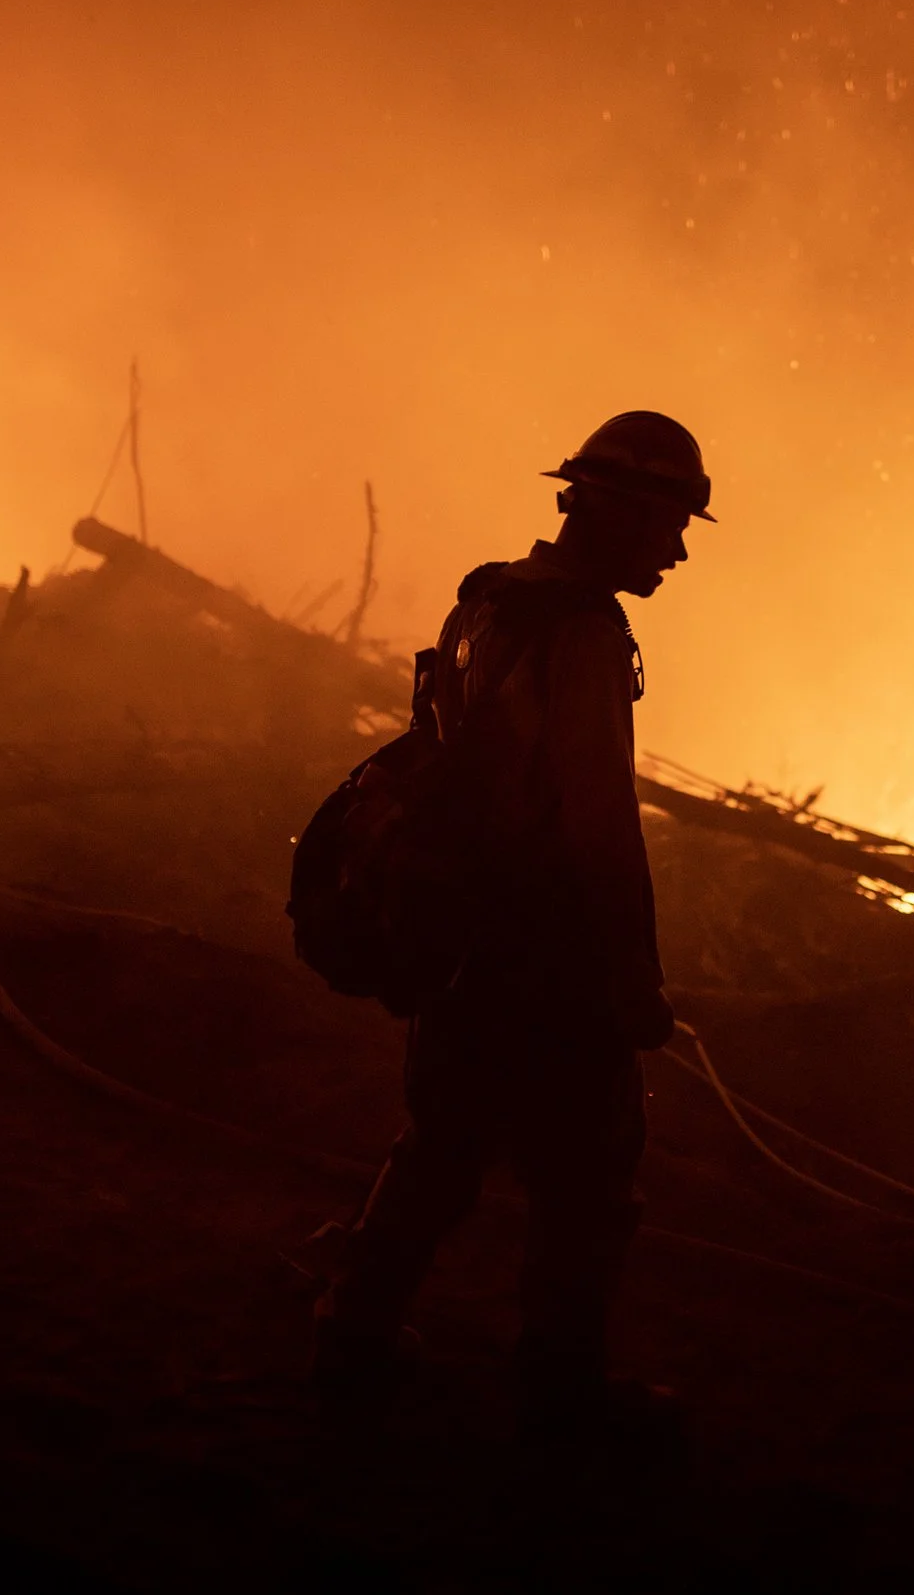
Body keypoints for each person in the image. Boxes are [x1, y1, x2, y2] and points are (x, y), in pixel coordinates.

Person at [312, 410, 713, 1445]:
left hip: (458, 936)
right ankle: (560, 1391)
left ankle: (351, 1328)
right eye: (668, 522)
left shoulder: (487, 602)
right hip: (547, 952)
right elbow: (596, 825)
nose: (674, 548)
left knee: (442, 1138)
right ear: (620, 511)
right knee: (589, 1176)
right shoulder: (579, 634)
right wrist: (634, 976)